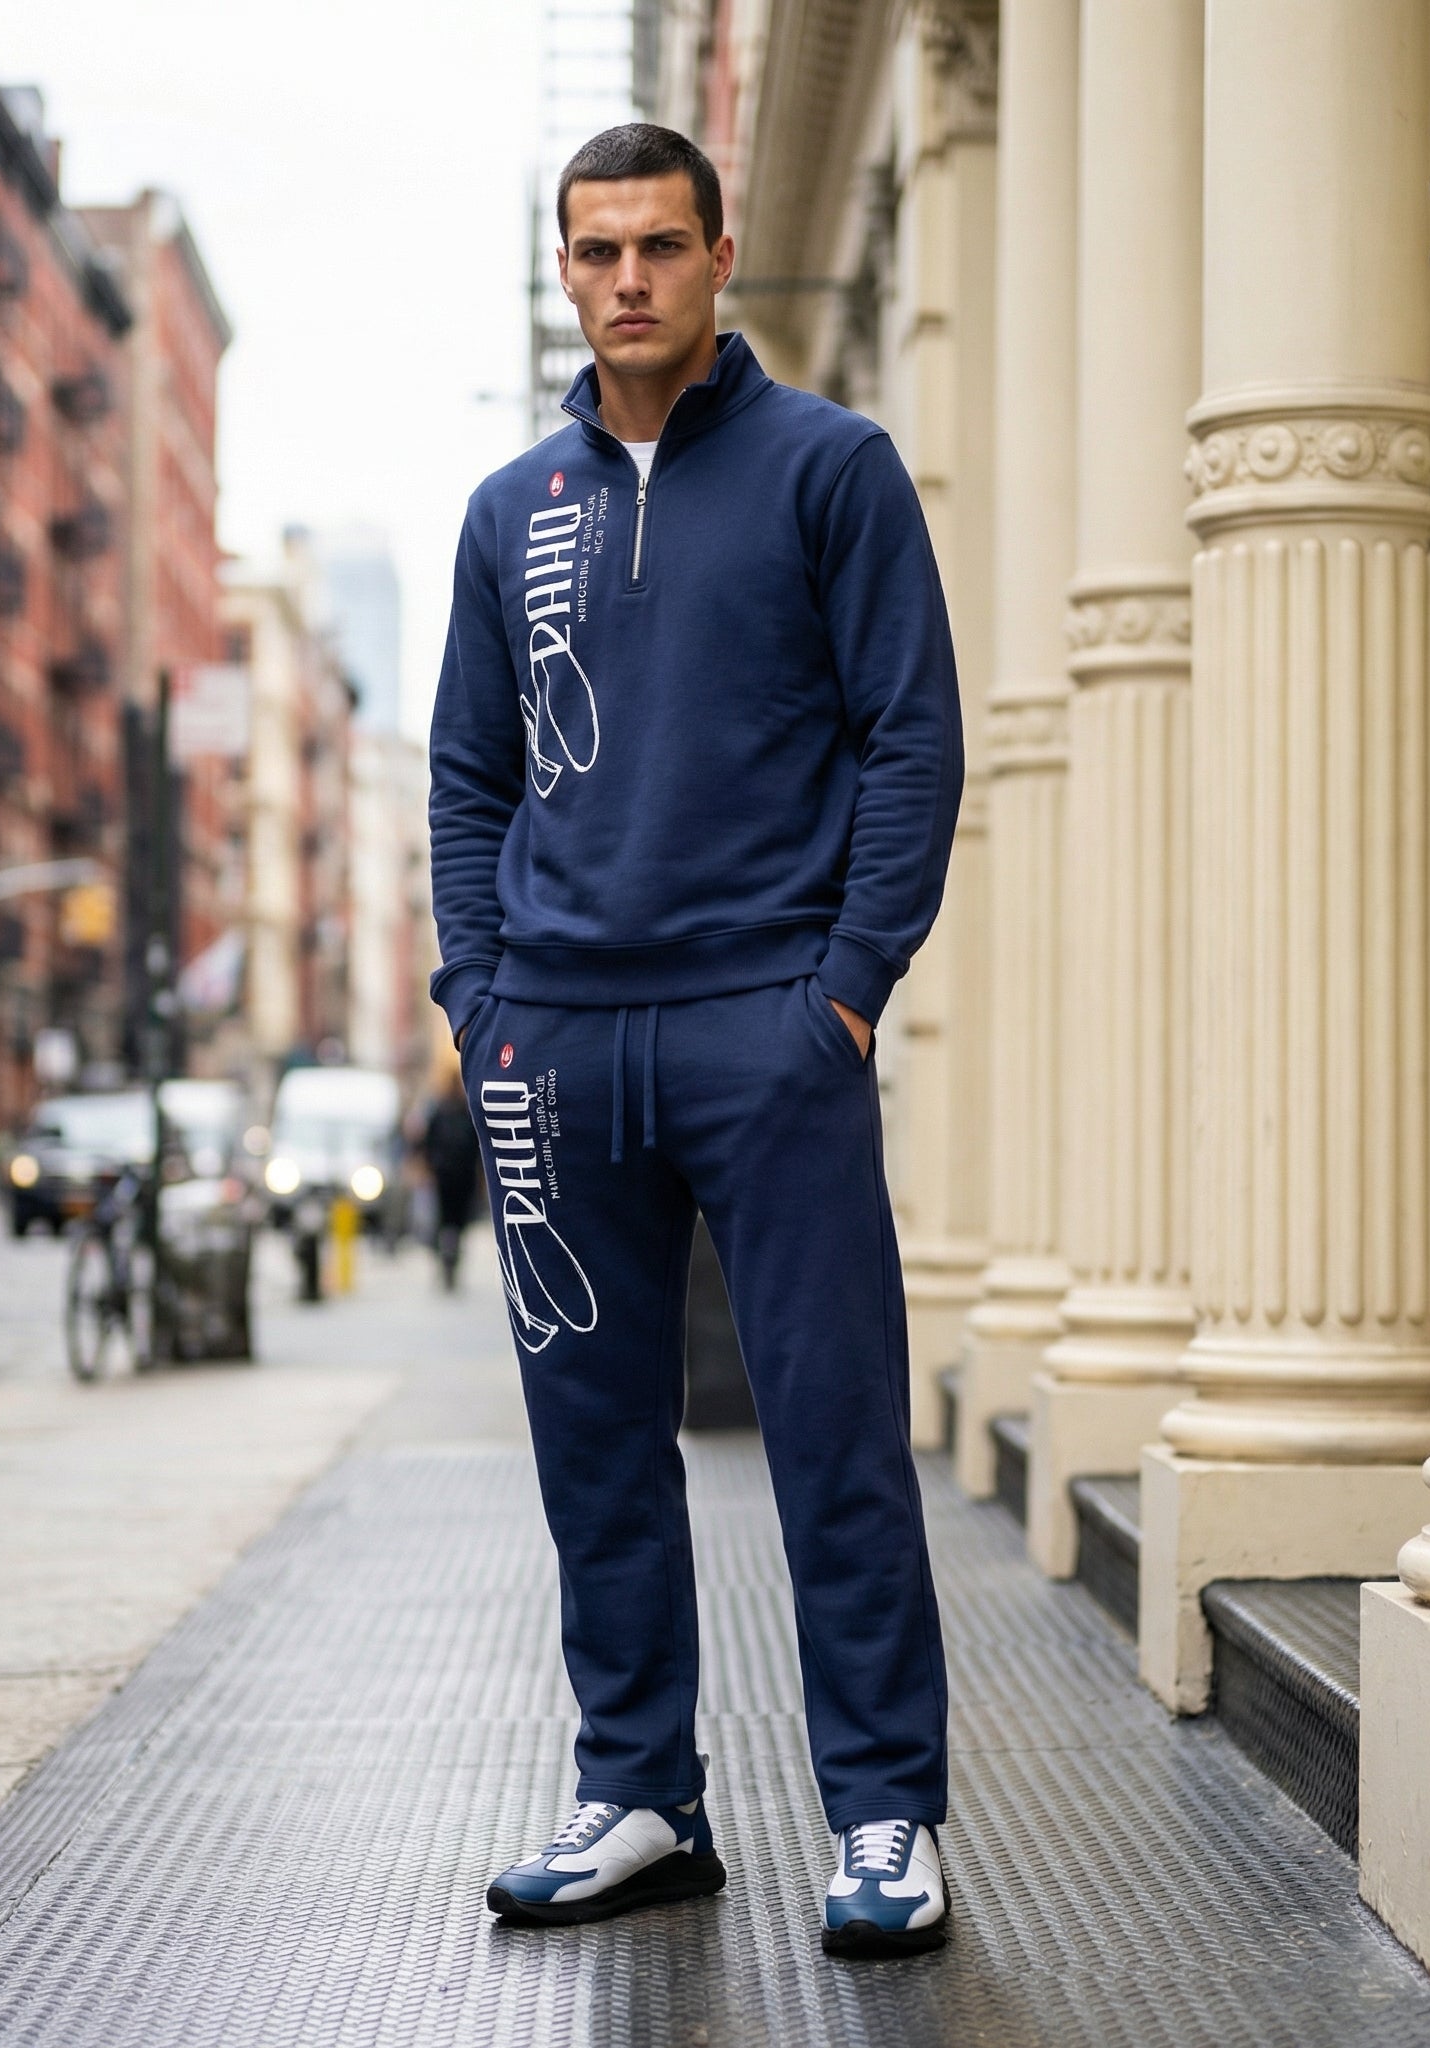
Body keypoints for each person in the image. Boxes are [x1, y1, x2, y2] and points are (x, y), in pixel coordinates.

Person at [429, 122, 963, 1959]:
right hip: (552, 1051)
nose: (628, 278)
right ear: (563, 274)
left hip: (766, 1028)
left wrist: (844, 985)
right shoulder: (513, 514)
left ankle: (885, 1810)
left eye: (660, 244)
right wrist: (476, 1002)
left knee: (832, 1431)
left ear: (721, 254)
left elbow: (909, 739)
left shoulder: (833, 468)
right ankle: (639, 1786)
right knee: (593, 1440)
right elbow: (468, 775)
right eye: (596, 253)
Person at [420, 1072, 482, 1289]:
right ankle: (446, 1260)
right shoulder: (442, 1112)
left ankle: (451, 1260)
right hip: (446, 1176)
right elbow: (427, 1143)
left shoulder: (464, 1112)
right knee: (447, 1222)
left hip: (459, 1176)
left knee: (456, 1222)